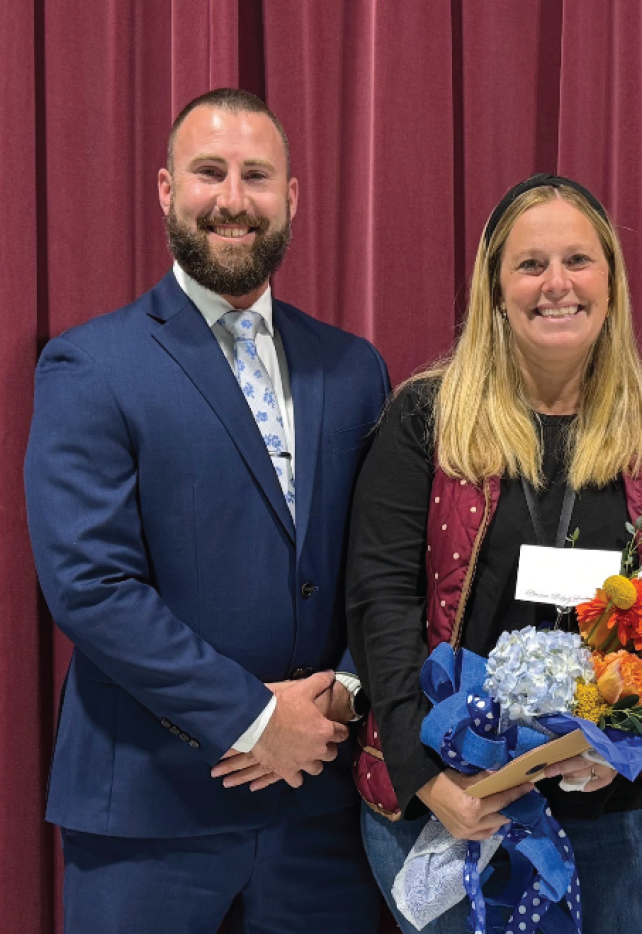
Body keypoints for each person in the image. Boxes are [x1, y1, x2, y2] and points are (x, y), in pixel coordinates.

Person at [24, 88, 388, 934]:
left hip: (320, 812)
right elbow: (90, 585)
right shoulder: (90, 364)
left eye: (257, 176)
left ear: (292, 197)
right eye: (209, 173)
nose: (233, 199)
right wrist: (256, 720)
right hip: (149, 812)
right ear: (165, 189)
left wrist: (341, 694)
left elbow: (384, 564)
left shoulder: (355, 368)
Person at [346, 173, 642, 933]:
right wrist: (428, 781)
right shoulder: (428, 417)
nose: (557, 284)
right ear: (495, 290)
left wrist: (624, 748)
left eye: (579, 261)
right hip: (455, 803)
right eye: (530, 265)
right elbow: (380, 599)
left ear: (612, 285)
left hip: (618, 811)